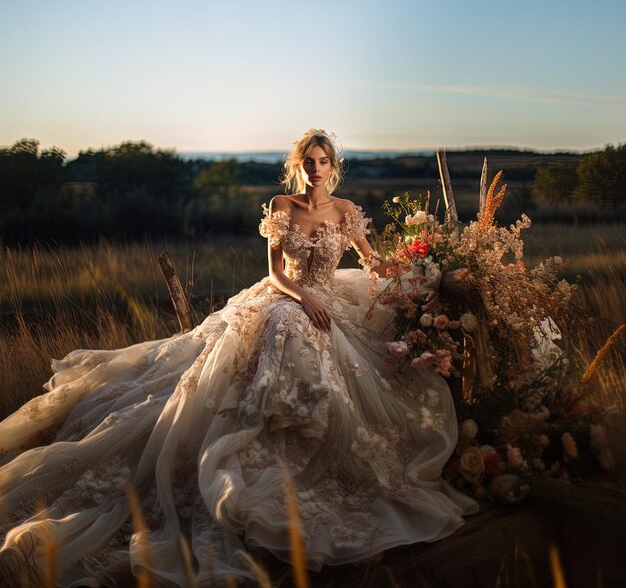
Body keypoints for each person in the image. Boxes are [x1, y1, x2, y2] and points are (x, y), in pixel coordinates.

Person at [0, 128, 479, 586]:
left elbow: (372, 263)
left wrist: (422, 261)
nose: (316, 169)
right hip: (288, 295)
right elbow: (274, 273)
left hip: (335, 296)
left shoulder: (347, 210)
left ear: (333, 166)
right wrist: (303, 298)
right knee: (286, 328)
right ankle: (273, 432)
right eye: (309, 161)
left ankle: (317, 449)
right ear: (299, 166)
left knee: (357, 359)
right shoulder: (282, 206)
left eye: (324, 161)